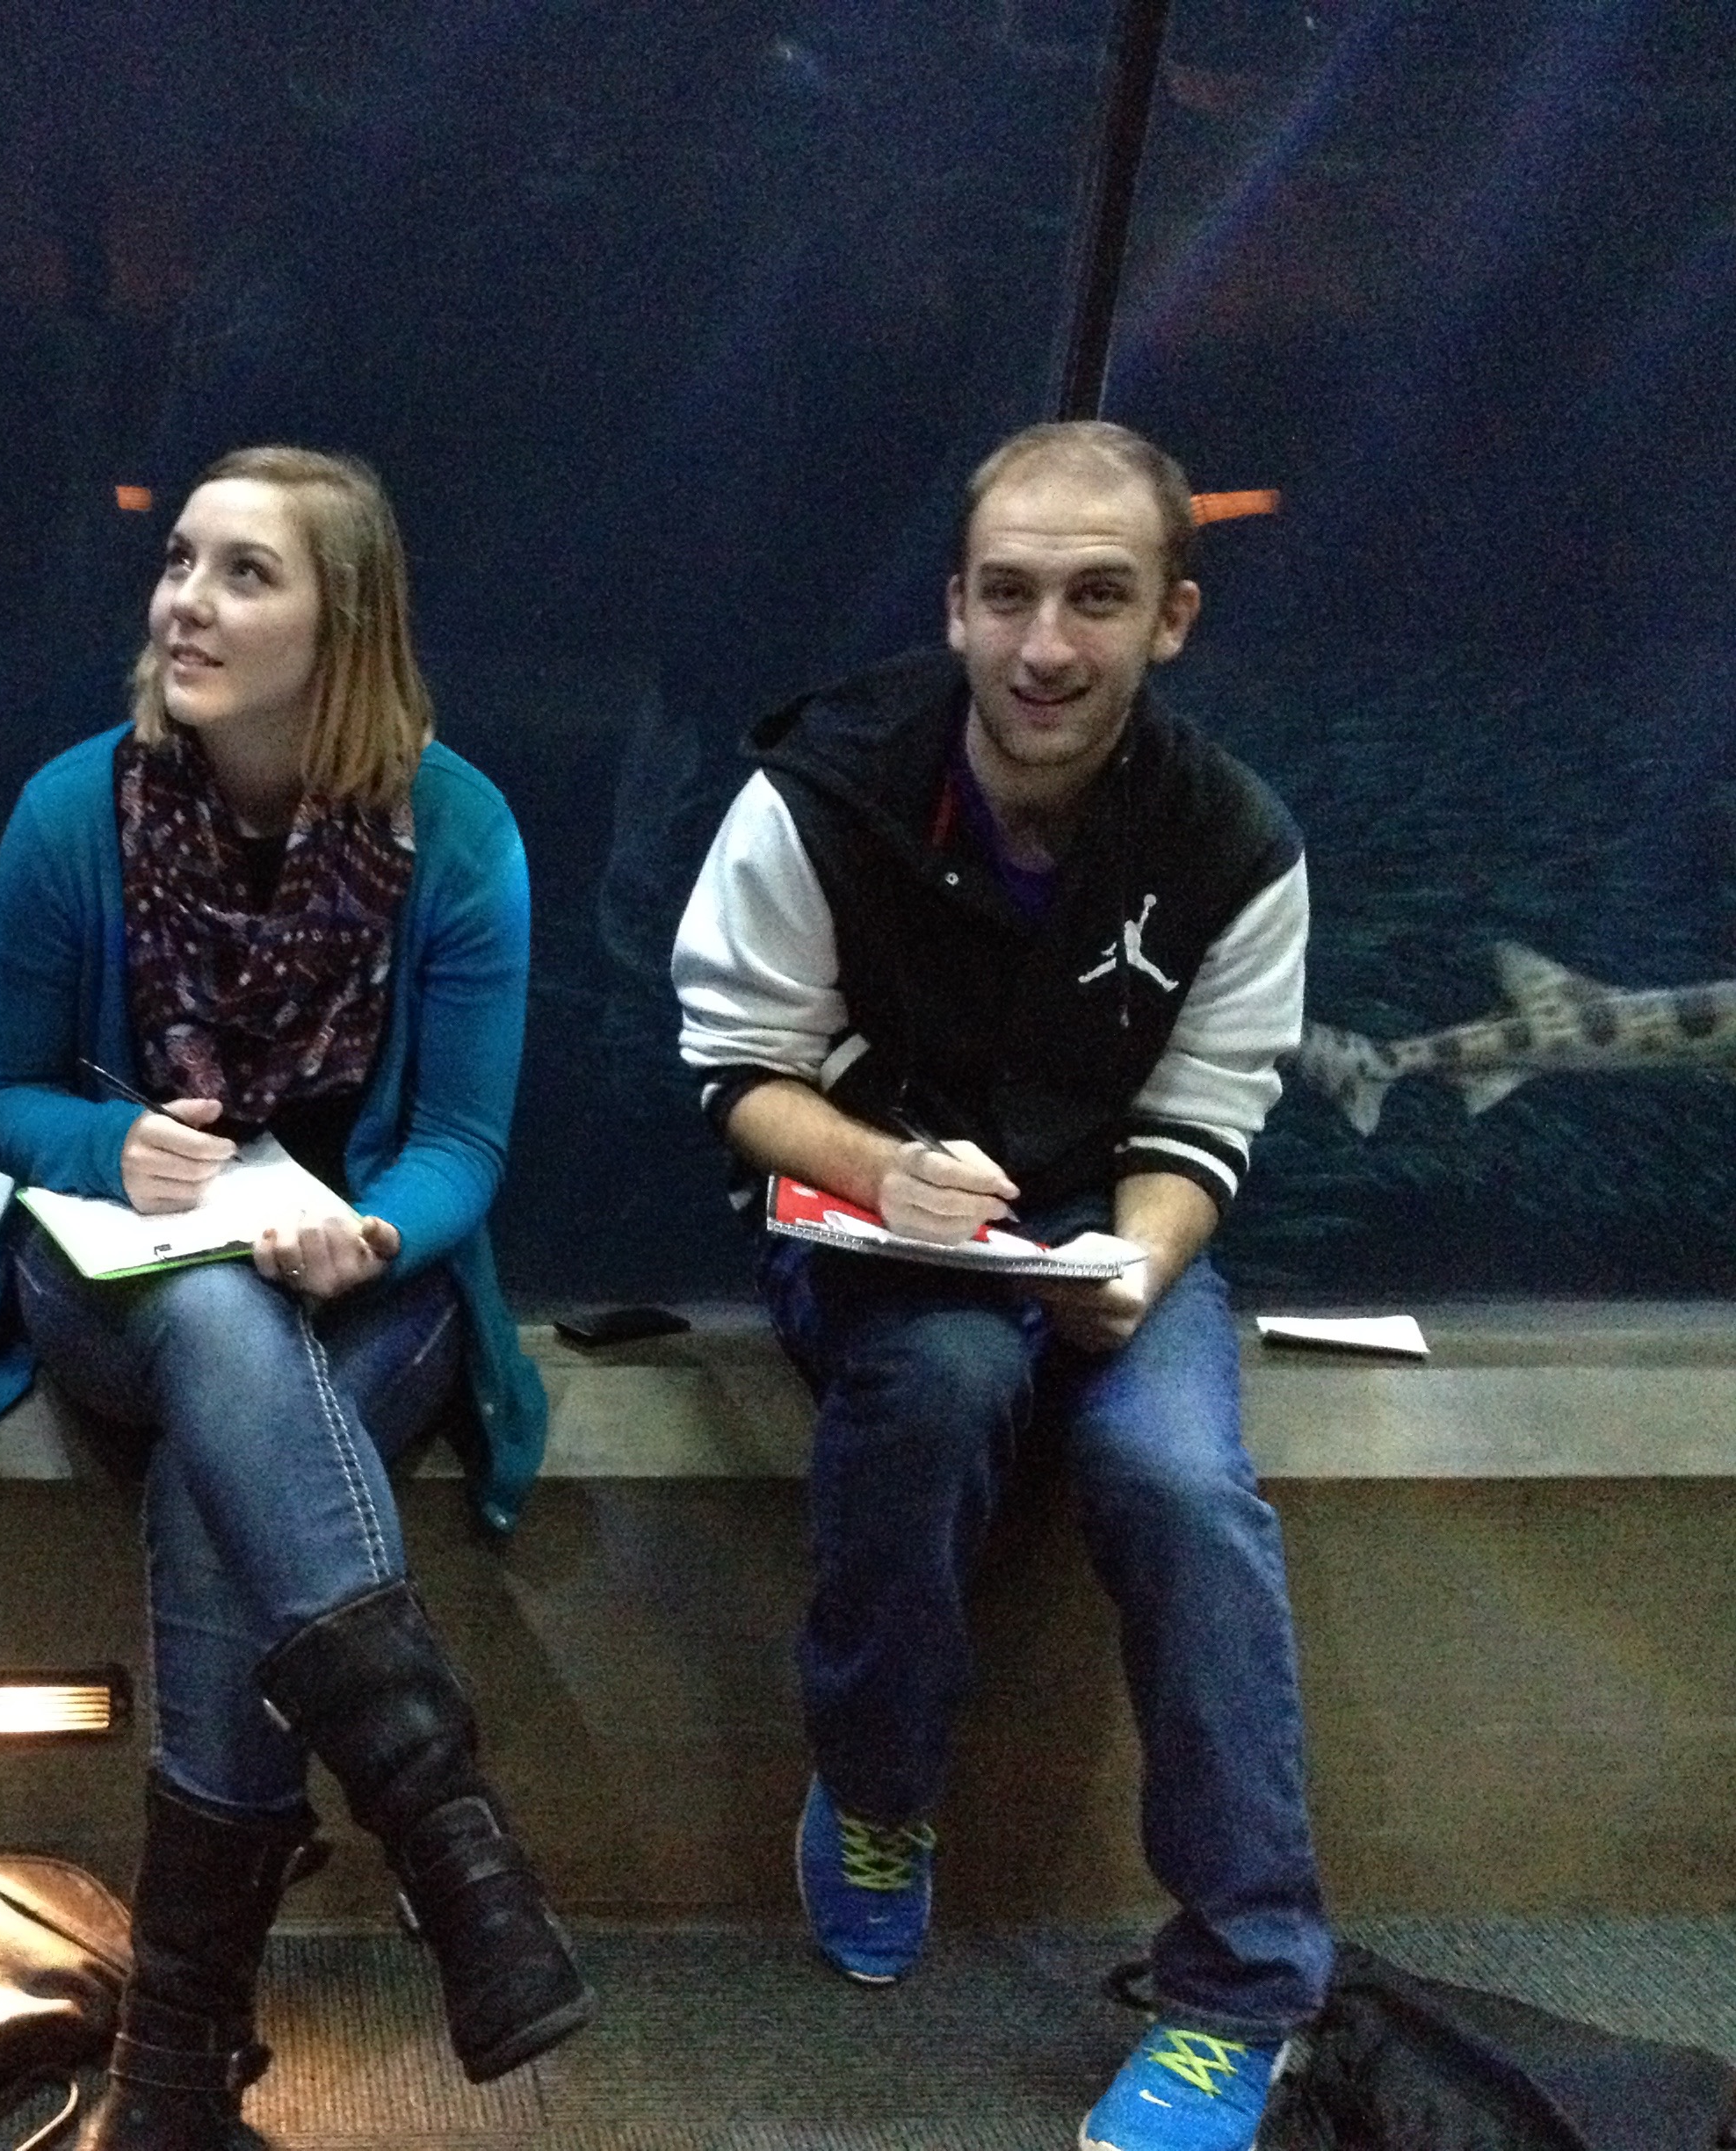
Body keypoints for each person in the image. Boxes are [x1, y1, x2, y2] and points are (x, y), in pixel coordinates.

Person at [671, 421, 1328, 2151]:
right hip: (871, 1212)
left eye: (1097, 598)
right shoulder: (821, 792)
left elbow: (1204, 1121)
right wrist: (882, 1172)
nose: (1048, 645)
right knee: (949, 1375)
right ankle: (878, 1790)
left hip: (1109, 1217)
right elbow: (737, 1067)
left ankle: (1244, 1995)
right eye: (1012, 595)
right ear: (956, 605)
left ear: (1170, 618)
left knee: (1179, 1479)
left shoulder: (1235, 841)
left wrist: (1139, 1266)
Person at [0, 445, 593, 2147]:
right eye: (181, 564)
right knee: (221, 1322)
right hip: (118, 1279)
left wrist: (368, 1234)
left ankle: (172, 2080)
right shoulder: (72, 811)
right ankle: (444, 1833)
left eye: (245, 574)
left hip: (364, 1290)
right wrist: (112, 1144)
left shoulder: (460, 832)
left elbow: (459, 1147)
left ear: (343, 623)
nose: (188, 604)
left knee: (224, 1496)